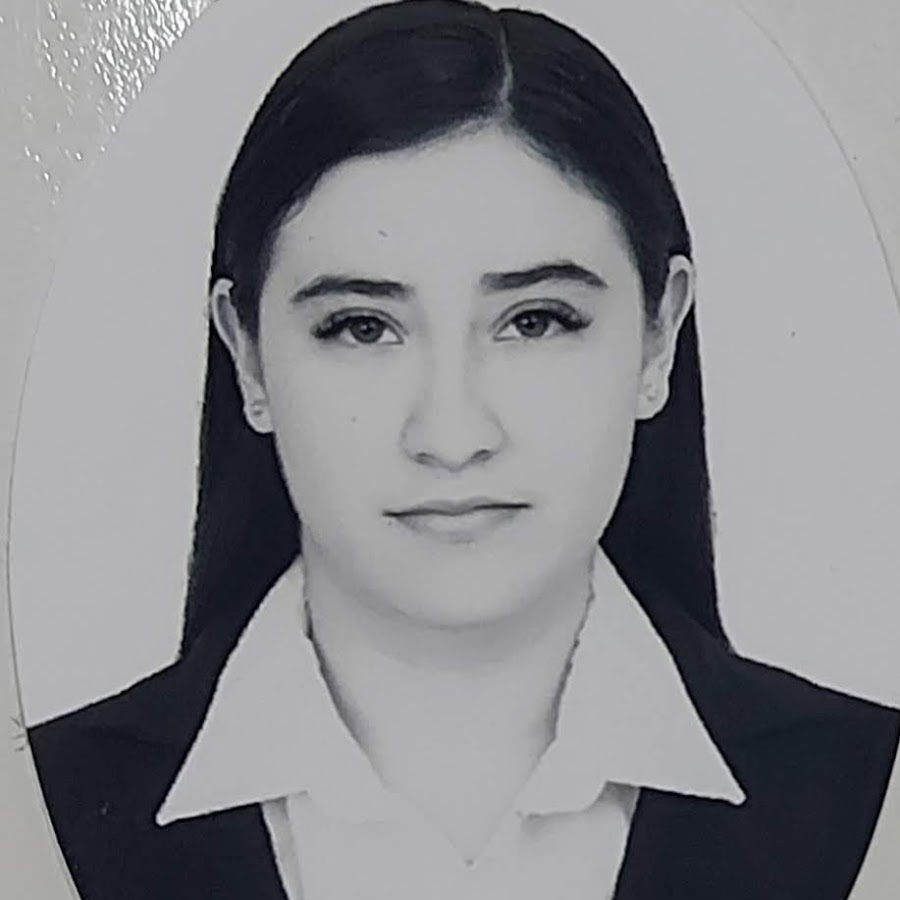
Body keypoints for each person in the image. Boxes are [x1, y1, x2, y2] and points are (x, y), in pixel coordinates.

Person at [27, 1, 900, 898]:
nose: (451, 437)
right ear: (246, 354)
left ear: (658, 339)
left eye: (536, 320)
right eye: (362, 326)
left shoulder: (860, 777)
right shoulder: (50, 792)